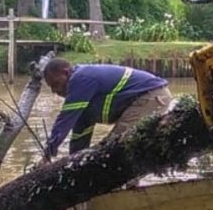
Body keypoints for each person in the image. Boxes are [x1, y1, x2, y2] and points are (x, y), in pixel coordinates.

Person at [40, 58, 173, 163]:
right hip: (147, 98)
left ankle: (125, 188)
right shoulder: (83, 102)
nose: (55, 91)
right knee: (113, 149)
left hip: (151, 96)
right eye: (51, 88)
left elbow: (65, 120)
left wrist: (48, 152)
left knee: (115, 148)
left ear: (66, 72)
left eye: (56, 84)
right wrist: (72, 164)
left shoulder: (80, 78)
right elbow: (78, 139)